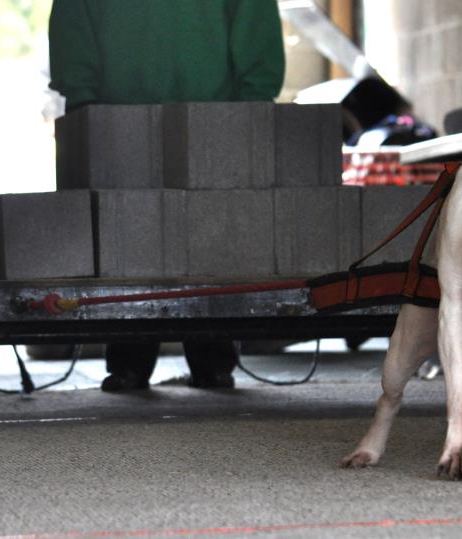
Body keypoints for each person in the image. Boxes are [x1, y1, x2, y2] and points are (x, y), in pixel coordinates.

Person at [48, 0, 285, 391]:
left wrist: (82, 97)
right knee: (175, 242)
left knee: (153, 242)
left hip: (162, 111)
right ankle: (202, 362)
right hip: (167, 112)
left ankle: (143, 364)